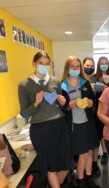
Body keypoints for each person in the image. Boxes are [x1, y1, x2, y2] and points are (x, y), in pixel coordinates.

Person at [18, 52, 71, 188]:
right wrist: (35, 103)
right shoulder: (24, 85)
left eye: (47, 64)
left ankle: (56, 183)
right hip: (40, 129)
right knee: (49, 164)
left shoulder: (55, 81)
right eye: (41, 63)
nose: (44, 66)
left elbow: (59, 105)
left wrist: (63, 101)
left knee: (66, 162)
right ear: (34, 64)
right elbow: (24, 113)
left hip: (59, 125)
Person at [61, 56, 100, 188]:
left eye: (78, 66)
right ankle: (80, 181)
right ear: (67, 68)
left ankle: (89, 179)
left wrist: (90, 103)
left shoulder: (85, 83)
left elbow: (93, 99)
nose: (75, 69)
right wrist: (68, 107)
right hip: (74, 125)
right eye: (72, 66)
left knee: (89, 152)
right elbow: (60, 108)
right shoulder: (62, 86)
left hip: (87, 122)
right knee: (83, 153)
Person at [82, 57, 103, 176]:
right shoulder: (80, 81)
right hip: (85, 115)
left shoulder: (96, 80)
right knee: (87, 142)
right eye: (87, 65)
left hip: (97, 114)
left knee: (96, 141)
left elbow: (101, 97)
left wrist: (101, 88)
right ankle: (85, 166)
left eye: (91, 66)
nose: (89, 68)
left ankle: (95, 163)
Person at [94, 56, 109, 165]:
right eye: (102, 63)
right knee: (101, 132)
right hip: (100, 107)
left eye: (106, 63)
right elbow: (93, 93)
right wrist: (99, 85)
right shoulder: (95, 77)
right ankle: (105, 153)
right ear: (98, 65)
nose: (104, 65)